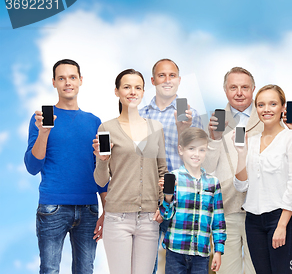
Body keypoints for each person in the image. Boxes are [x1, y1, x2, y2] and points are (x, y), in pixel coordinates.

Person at [24, 59, 106, 274]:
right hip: (53, 208)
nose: (67, 82)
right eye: (61, 78)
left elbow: (102, 168)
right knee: (50, 270)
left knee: (85, 270)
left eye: (72, 77)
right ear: (54, 82)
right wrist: (43, 133)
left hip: (88, 208)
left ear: (80, 81)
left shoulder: (95, 122)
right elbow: (33, 167)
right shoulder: (40, 119)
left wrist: (106, 210)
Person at [93, 69, 167, 274]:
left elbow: (163, 171)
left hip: (149, 218)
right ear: (117, 92)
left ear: (143, 92)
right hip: (117, 217)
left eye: (137, 87)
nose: (132, 92)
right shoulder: (106, 127)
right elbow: (100, 180)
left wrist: (163, 205)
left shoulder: (156, 128)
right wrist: (101, 160)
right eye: (126, 87)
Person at [139, 58, 203, 274]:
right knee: (147, 262)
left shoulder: (192, 116)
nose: (167, 80)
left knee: (181, 263)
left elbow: (200, 162)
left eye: (172, 75)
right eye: (161, 75)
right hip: (149, 198)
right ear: (152, 80)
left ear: (179, 80)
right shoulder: (140, 116)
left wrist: (183, 130)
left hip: (182, 198)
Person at [234, 84, 292, 274]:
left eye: (273, 104)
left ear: (283, 107)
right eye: (261, 104)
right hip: (253, 220)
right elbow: (241, 186)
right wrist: (241, 153)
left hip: (281, 218)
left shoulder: (291, 138)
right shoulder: (252, 140)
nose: (266, 109)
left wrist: (282, 225)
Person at [203, 67, 260, 274]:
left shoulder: (266, 118)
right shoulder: (213, 122)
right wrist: (214, 139)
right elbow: (207, 169)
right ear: (225, 90)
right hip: (226, 208)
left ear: (253, 89)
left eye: (245, 87)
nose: (239, 92)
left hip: (259, 208)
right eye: (233, 87)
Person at [160, 127, 226, 274]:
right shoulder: (173, 178)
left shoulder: (213, 183)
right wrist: (168, 197)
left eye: (202, 150)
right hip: (175, 251)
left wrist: (218, 251)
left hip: (201, 254)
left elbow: (218, 220)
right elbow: (165, 216)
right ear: (181, 149)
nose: (196, 154)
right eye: (191, 148)